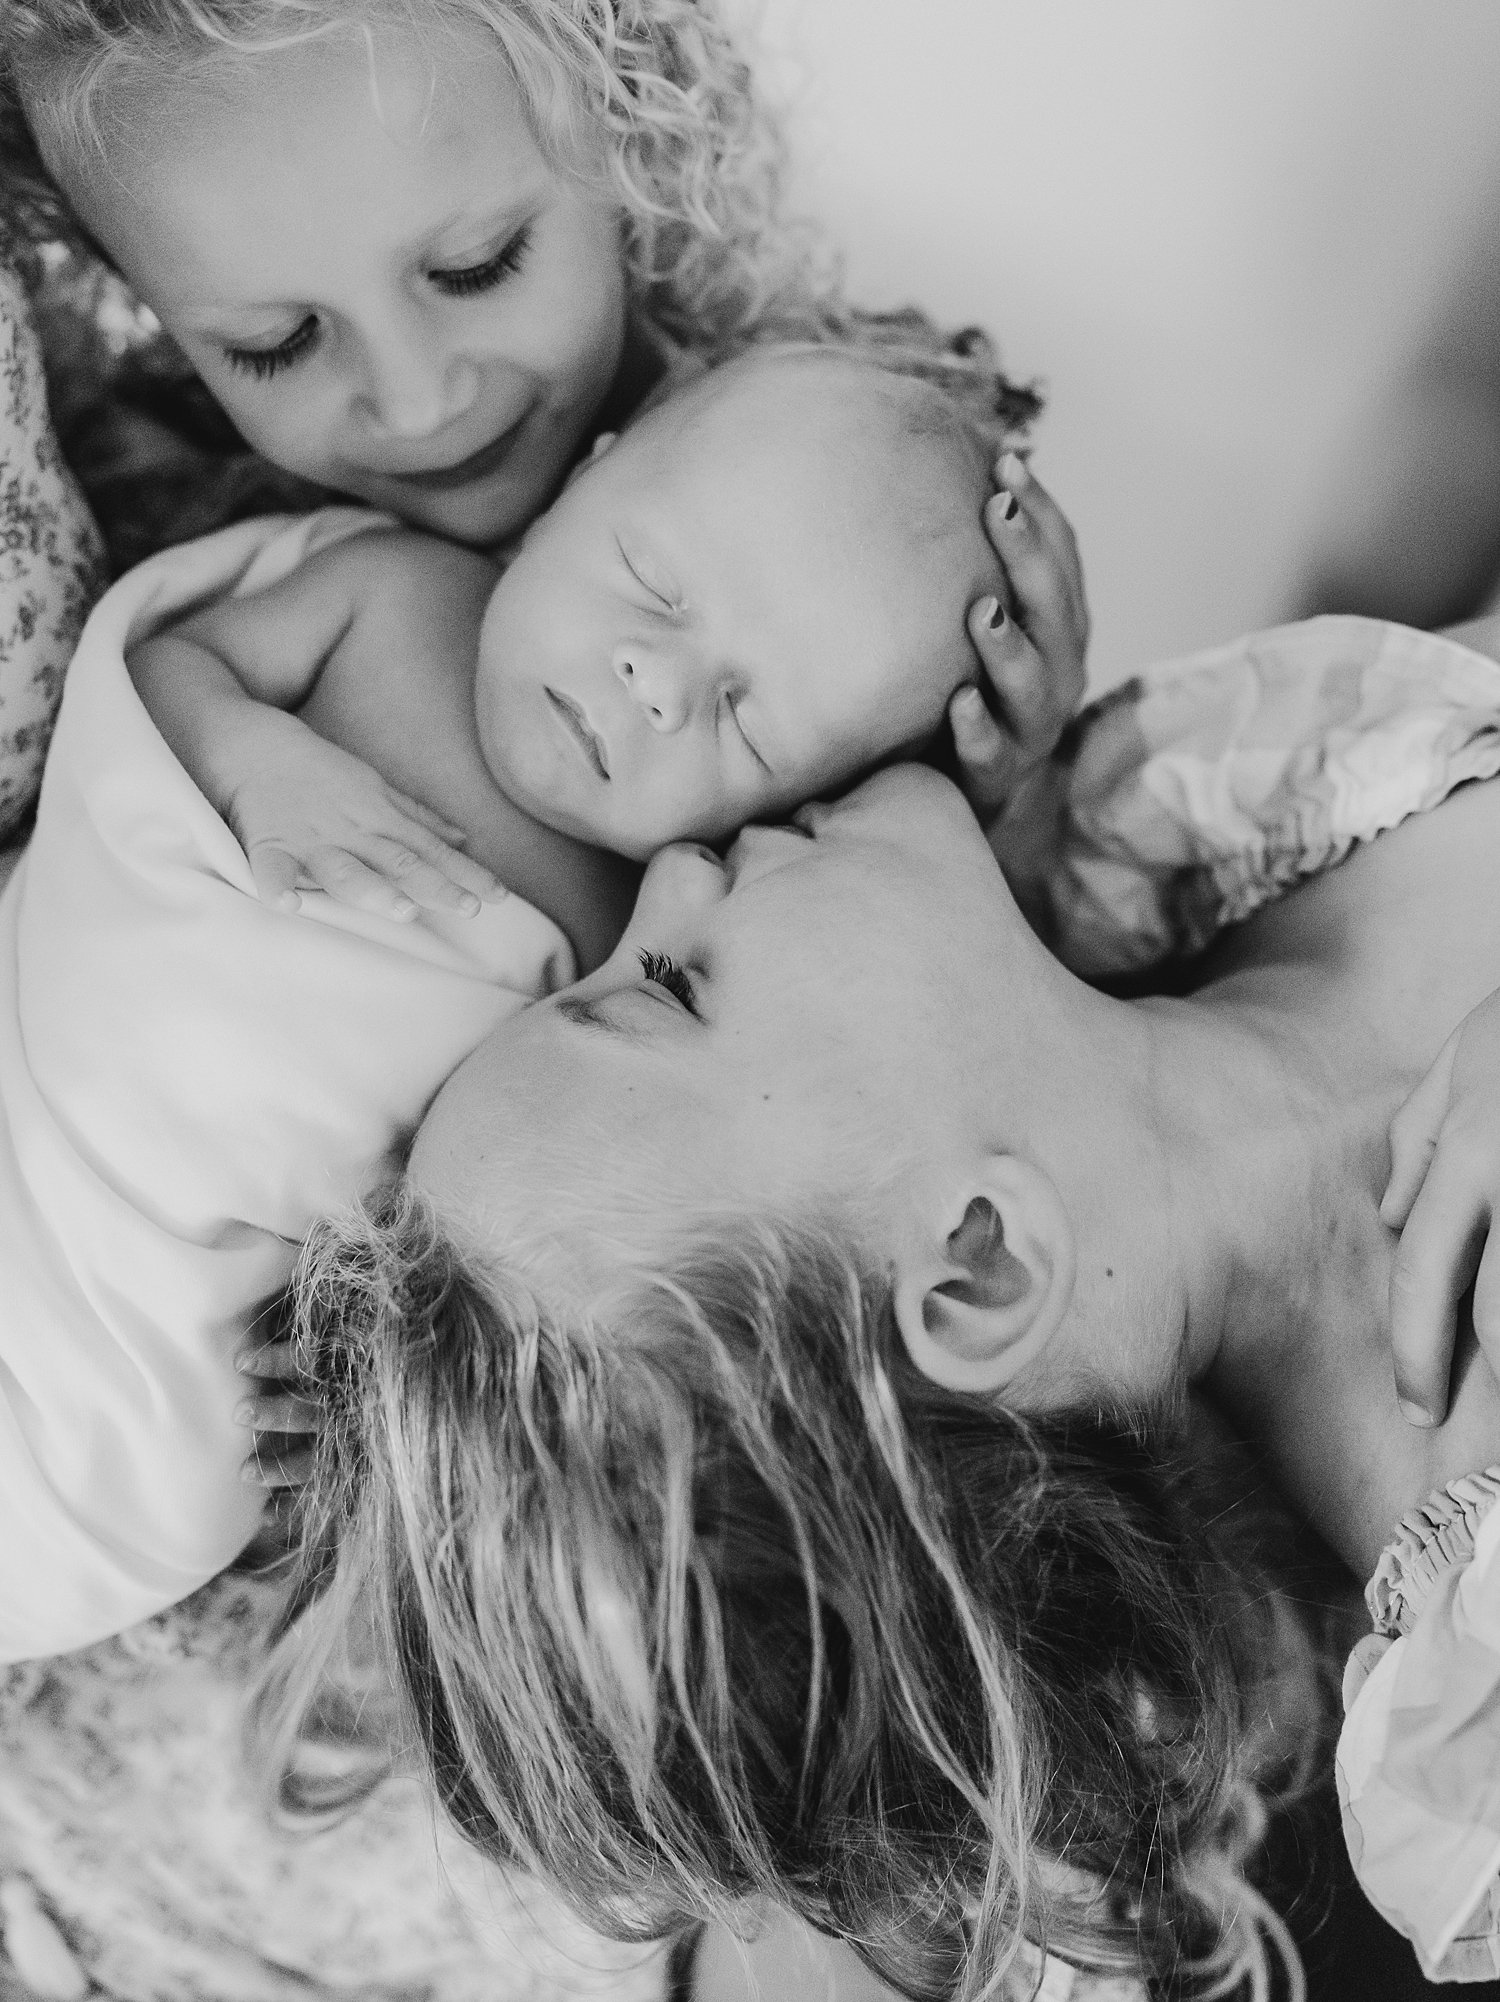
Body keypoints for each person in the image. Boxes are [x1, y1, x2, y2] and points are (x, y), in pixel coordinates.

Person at [269, 604, 1500, 1997]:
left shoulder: (1156, 810)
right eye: (673, 983)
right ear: (977, 1261)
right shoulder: (1475, 1684)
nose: (669, 866)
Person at [0, 0, 1050, 838]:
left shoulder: (853, 494)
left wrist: (990, 809)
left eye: (477, 265)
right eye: (275, 343)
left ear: (624, 107)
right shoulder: (144, 513)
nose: (418, 406)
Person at [127, 348, 1082, 970]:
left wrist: (995, 801)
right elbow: (166, 669)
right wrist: (254, 762)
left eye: (747, 724)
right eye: (651, 583)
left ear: (788, 810)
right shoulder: (394, 592)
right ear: (583, 479)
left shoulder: (655, 940)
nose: (660, 685)